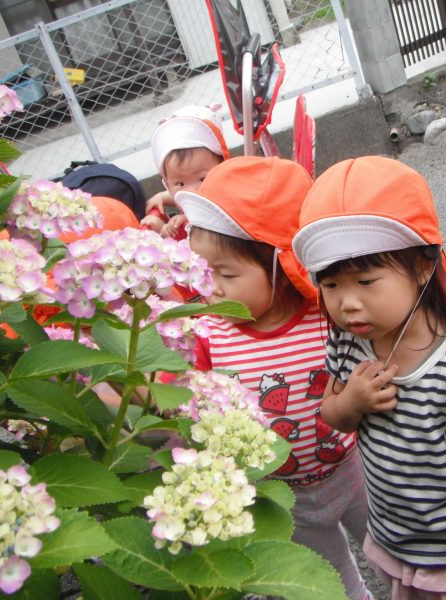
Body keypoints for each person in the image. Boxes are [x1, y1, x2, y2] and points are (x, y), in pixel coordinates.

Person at [292, 156, 446, 600]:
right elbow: (332, 415)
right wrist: (352, 402)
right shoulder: (348, 342)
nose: (347, 303)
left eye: (366, 280)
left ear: (421, 266)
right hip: (396, 541)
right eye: (331, 285)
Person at [175, 156, 372, 600]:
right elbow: (189, 405)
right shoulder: (208, 334)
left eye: (226, 274)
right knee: (331, 577)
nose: (213, 288)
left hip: (354, 471)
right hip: (284, 496)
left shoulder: (324, 315)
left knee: (390, 552)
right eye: (205, 272)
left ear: (282, 268)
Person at [140, 104, 229, 238]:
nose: (191, 191)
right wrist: (162, 197)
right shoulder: (195, 194)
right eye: (180, 184)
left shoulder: (223, 203)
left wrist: (162, 229)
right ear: (167, 184)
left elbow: (184, 237)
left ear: (222, 167)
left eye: (202, 179)